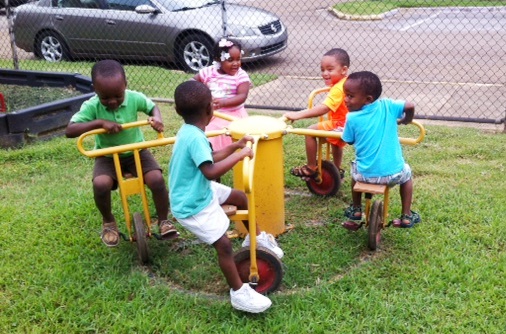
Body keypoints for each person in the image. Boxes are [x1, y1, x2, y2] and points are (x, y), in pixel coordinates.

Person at [169, 80, 283, 313]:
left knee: (240, 197)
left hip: (199, 189)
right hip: (191, 204)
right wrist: (241, 155)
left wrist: (235, 146)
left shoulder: (189, 131)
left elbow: (210, 156)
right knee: (223, 245)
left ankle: (256, 238)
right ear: (211, 109)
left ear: (178, 111)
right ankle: (239, 293)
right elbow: (210, 170)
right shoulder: (194, 137)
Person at [65, 59, 178, 247]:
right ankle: (108, 221)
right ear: (95, 89)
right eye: (105, 98)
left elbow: (152, 107)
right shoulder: (92, 106)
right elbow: (70, 130)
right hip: (107, 155)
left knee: (156, 179)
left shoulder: (134, 98)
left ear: (125, 85)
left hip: (137, 151)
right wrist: (99, 123)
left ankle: (164, 220)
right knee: (101, 184)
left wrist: (156, 118)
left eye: (118, 96)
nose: (112, 102)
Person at [341, 71, 421, 228]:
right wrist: (406, 120)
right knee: (407, 174)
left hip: (364, 176)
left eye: (350, 96)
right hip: (394, 175)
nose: (345, 100)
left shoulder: (351, 118)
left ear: (368, 99)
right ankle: (406, 215)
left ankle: (356, 209)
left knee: (354, 168)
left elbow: (348, 141)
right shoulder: (388, 106)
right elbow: (410, 105)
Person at [283, 48, 350, 182]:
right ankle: (337, 169)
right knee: (336, 144)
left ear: (343, 70)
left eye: (330, 69)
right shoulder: (346, 82)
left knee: (309, 132)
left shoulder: (338, 88)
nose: (325, 73)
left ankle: (311, 167)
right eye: (322, 69)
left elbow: (324, 108)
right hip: (348, 124)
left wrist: (298, 115)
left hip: (340, 125)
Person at [193, 38, 252, 151]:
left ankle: (216, 154)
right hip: (210, 112)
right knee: (197, 130)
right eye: (230, 60)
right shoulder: (208, 72)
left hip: (231, 115)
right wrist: (201, 94)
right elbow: (192, 82)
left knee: (213, 133)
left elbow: (242, 96)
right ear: (218, 59)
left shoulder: (241, 76)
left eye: (238, 59)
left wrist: (223, 103)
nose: (236, 63)